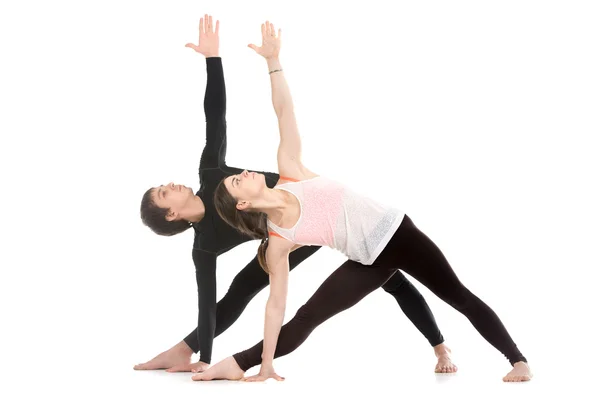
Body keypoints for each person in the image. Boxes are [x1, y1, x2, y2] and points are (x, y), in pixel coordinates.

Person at [196, 20, 532, 383]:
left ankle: (517, 360)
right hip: (367, 259)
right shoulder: (278, 241)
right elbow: (275, 305)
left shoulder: (291, 171)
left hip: (397, 234)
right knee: (308, 316)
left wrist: (273, 62)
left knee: (458, 297)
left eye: (239, 173)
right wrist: (266, 364)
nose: (244, 173)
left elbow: (284, 111)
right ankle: (239, 364)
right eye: (236, 181)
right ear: (242, 205)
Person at [134, 14, 457, 374]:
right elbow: (208, 301)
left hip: (311, 200)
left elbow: (216, 117)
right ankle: (189, 351)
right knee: (245, 287)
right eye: (165, 193)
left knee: (389, 272)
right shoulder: (205, 245)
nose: (171, 185)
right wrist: (204, 355)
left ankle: (440, 347)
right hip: (287, 234)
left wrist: (213, 59)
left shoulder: (210, 174)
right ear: (171, 215)